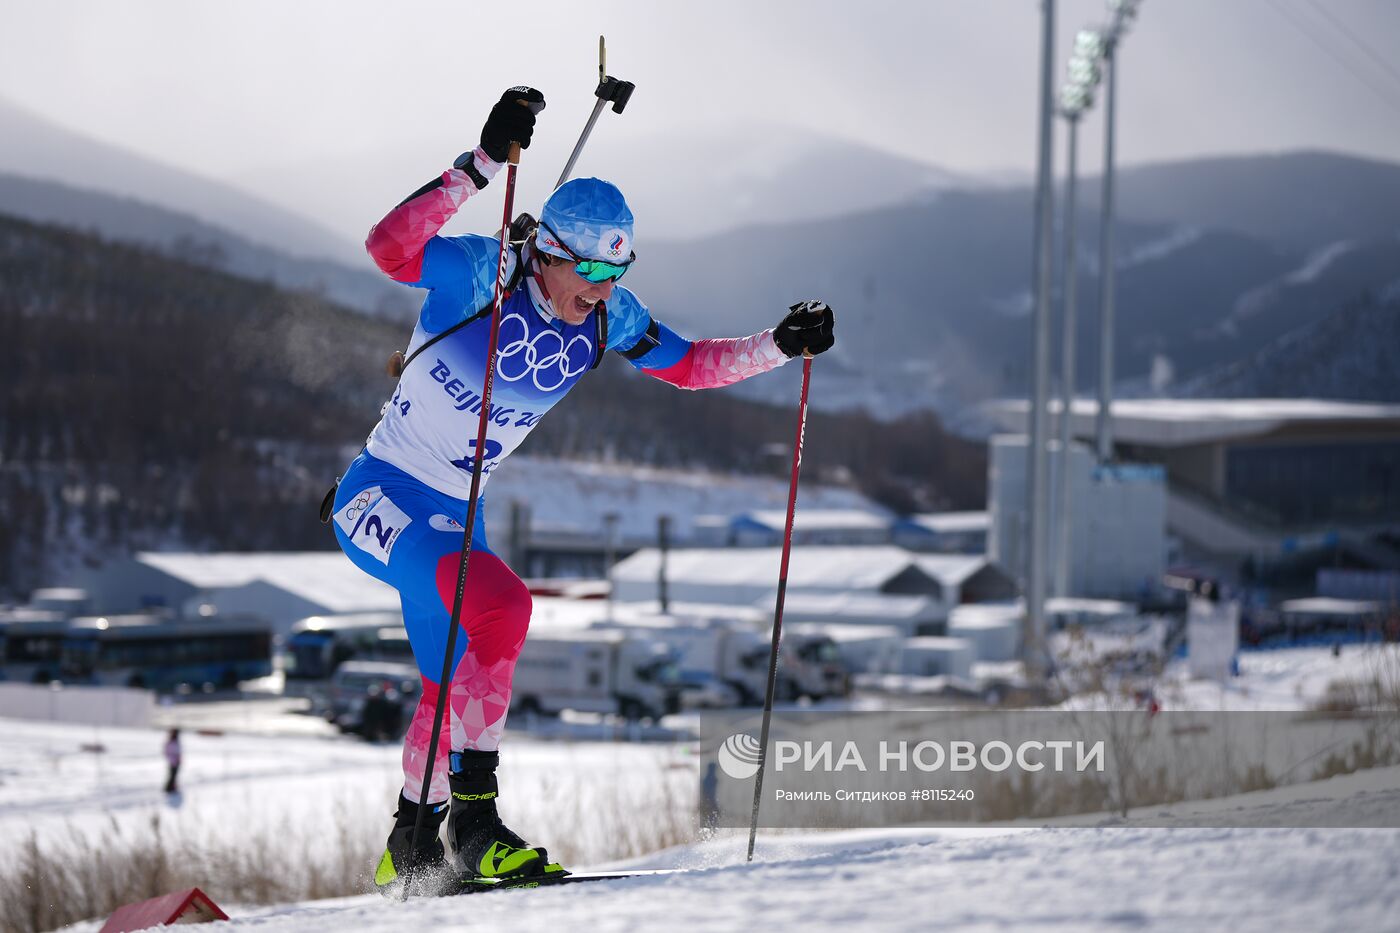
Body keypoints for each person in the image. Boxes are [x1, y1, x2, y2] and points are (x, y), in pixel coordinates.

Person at [331, 86, 836, 893]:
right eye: (591, 268)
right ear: (548, 251)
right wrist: (481, 164)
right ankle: (477, 823)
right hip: (380, 495)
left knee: (450, 679)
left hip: (458, 516)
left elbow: (693, 365)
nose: (600, 287)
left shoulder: (607, 316)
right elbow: (388, 249)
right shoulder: (481, 270)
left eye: (617, 269)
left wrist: (777, 345)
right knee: (503, 604)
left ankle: (411, 848)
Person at [163, 728, 181, 794]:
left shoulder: (176, 742)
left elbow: (179, 752)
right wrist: (173, 759)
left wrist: (179, 758)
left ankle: (173, 787)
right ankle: (168, 788)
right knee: (171, 775)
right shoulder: (170, 742)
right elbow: (167, 752)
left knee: (175, 775)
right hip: (172, 761)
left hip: (177, 761)